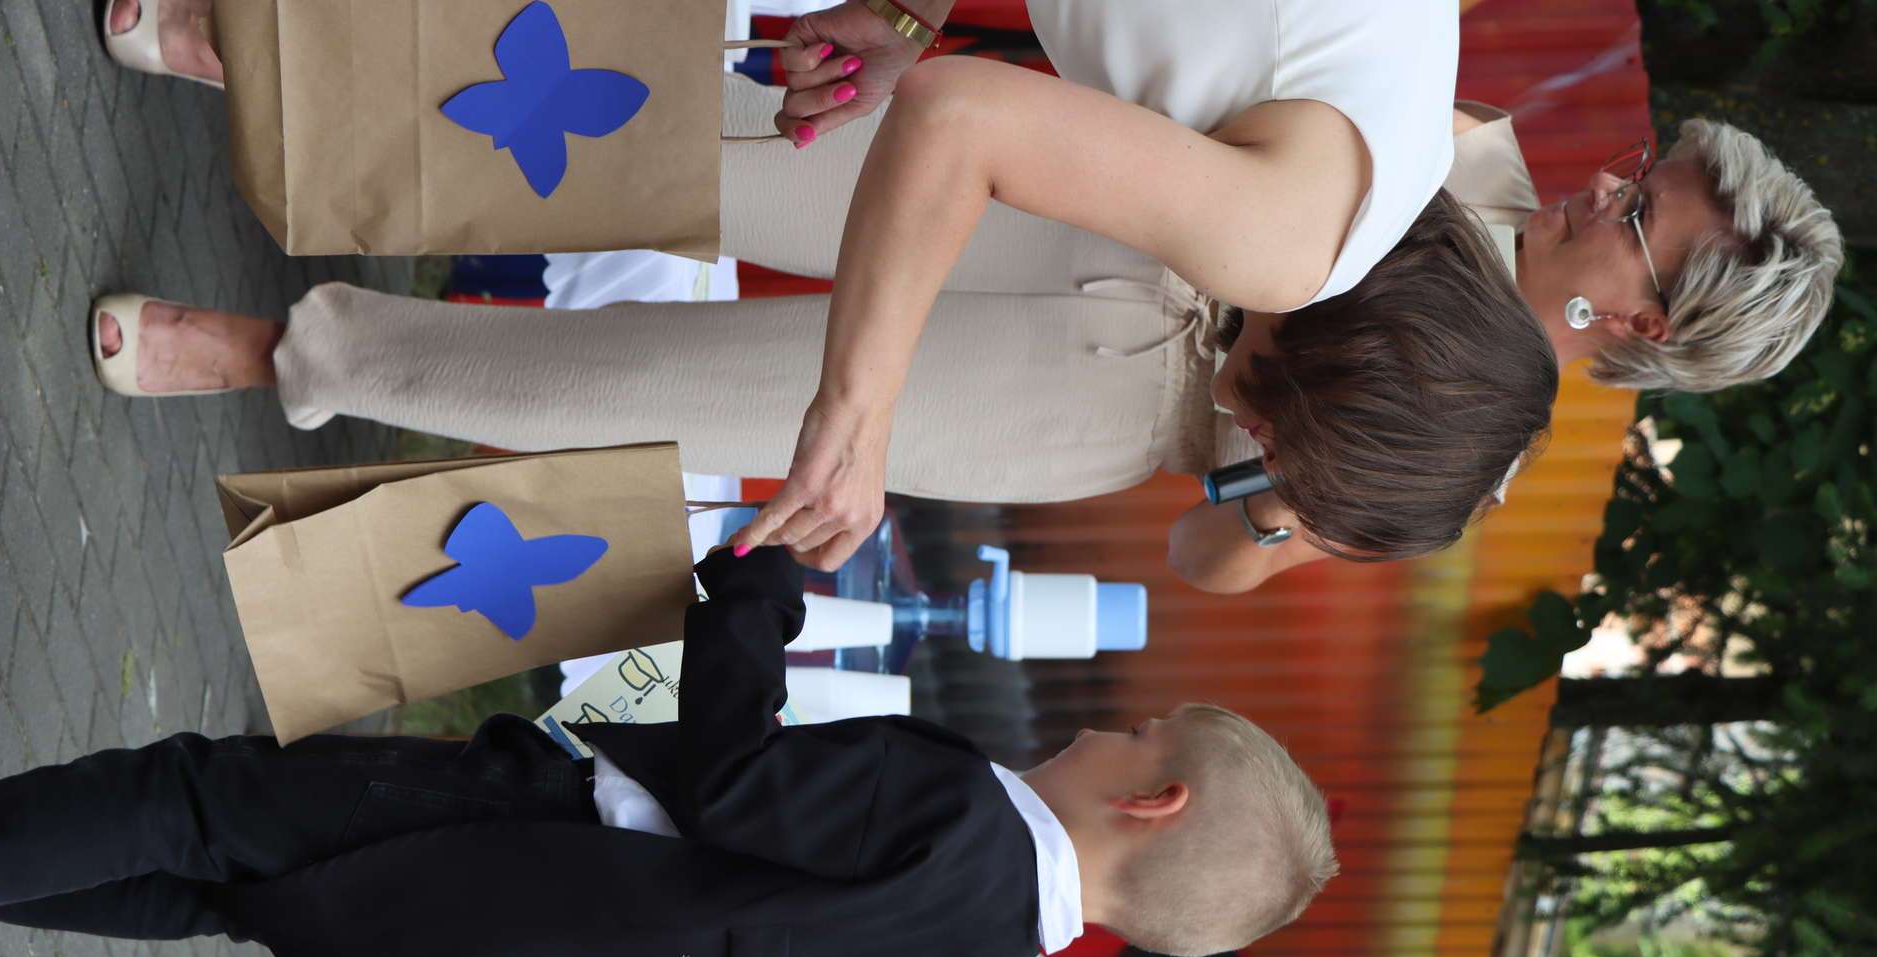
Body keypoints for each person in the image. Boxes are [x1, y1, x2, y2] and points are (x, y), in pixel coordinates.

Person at [91, 0, 1558, 586]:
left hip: (1097, 371)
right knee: (685, 128)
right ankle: (294, 68)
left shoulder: (1380, 198)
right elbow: (962, 116)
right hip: (1084, 191)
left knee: (680, 396)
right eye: (1282, 438)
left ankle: (301, 350)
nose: (1255, 432)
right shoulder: (1314, 228)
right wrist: (856, 416)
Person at [0, 546, 1336, 957]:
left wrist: (760, 600)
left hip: (495, 835)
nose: (1109, 727)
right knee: (217, 891)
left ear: (1152, 799)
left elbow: (732, 774)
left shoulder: (965, 815)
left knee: (186, 798)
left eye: (1141, 732)